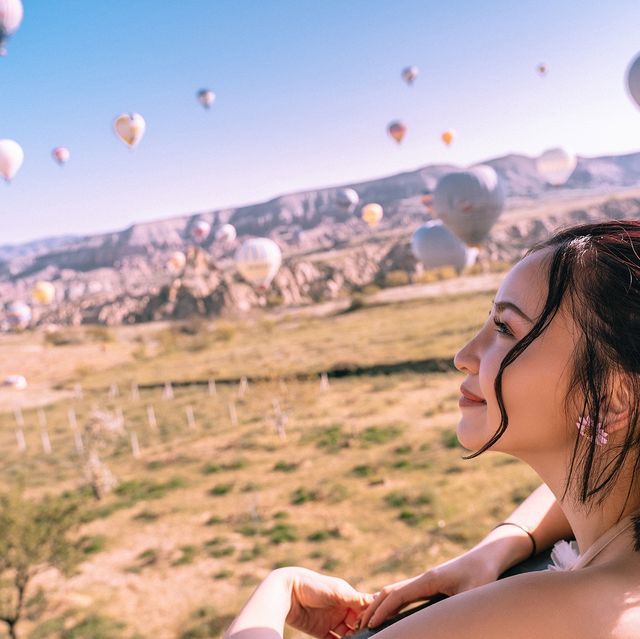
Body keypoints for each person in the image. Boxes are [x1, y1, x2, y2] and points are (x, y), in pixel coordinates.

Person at [224, 221, 640, 639]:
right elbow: (570, 495)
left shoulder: (547, 609)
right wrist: (497, 547)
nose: (463, 356)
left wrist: (280, 588)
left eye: (504, 329)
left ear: (610, 399)